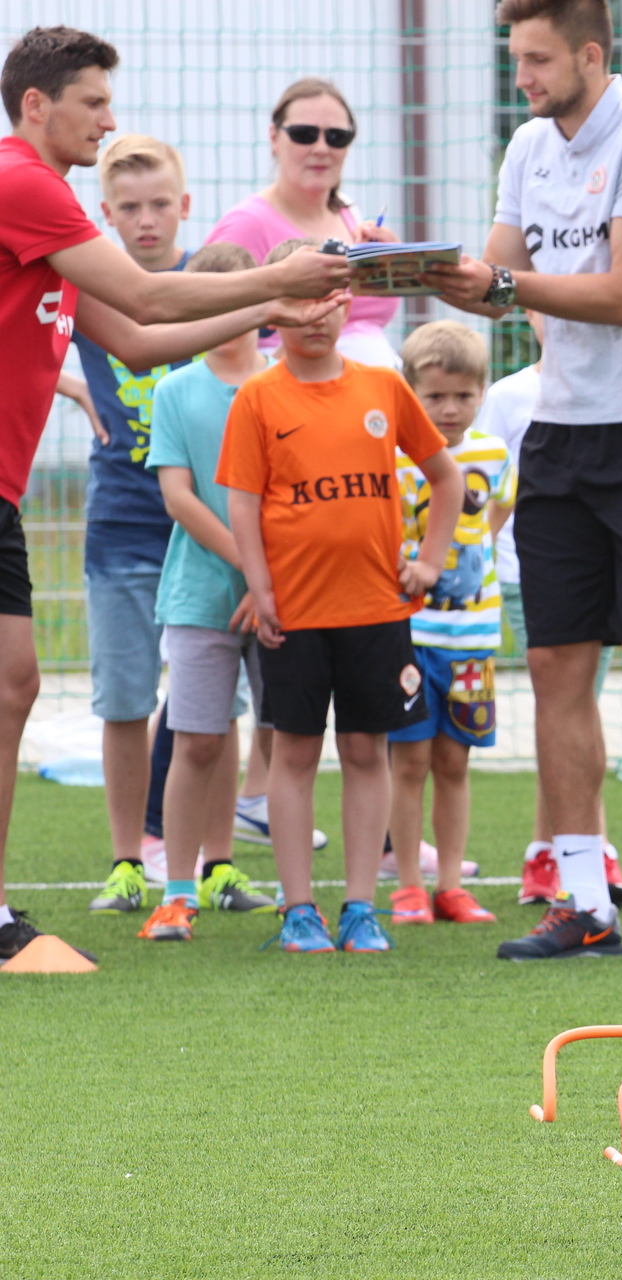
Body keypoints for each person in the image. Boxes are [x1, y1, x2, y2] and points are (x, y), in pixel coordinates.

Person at [0, 25, 348, 961]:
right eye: (94, 104)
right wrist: (283, 270)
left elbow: (142, 341)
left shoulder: (50, 214)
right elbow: (154, 304)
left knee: (15, 682)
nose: (111, 122)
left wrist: (269, 310)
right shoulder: (22, 183)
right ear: (37, 106)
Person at [428, 0, 622, 962]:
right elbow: (496, 269)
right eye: (514, 57)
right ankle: (580, 897)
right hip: (558, 434)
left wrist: (501, 287)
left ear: (589, 53)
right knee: (557, 667)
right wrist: (409, 273)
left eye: (536, 58)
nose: (521, 76)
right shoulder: (528, 146)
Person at [217, 237, 460, 954]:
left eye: (325, 298)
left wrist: (429, 559)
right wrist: (260, 587)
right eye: (296, 300)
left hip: (377, 610)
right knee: (292, 754)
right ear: (272, 307)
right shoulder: (259, 397)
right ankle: (300, 912)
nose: (313, 315)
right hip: (294, 612)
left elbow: (444, 478)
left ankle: (360, 908)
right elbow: (243, 504)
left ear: (347, 300)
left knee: (366, 751)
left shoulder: (382, 388)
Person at [63, 135, 199, 916]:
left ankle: (212, 862)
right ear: (105, 216)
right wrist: (74, 387)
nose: (146, 222)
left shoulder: (209, 280)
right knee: (124, 699)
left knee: (212, 706)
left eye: (159, 205)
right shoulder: (87, 285)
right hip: (121, 520)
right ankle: (125, 861)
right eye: (129, 209)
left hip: (206, 526)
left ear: (183, 206)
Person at [133, 241, 282, 943]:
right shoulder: (176, 389)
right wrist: (251, 571)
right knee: (196, 740)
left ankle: (274, 890)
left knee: (281, 741)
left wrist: (270, 581)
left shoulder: (285, 383)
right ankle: (179, 891)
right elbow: (179, 498)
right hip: (200, 596)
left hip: (286, 595)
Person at [474, 312, 622, 908]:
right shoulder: (508, 395)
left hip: (602, 573)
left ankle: (577, 849)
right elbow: (482, 482)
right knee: (562, 705)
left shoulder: (617, 388)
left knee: (579, 708)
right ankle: (558, 852)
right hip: (527, 573)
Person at [386, 320, 513, 927]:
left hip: (473, 640)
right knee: (408, 760)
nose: (450, 408)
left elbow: (499, 507)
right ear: (410, 391)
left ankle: (450, 883)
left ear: (482, 392)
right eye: (435, 396)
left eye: (464, 395)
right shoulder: (393, 456)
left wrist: (474, 555)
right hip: (410, 638)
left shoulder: (492, 452)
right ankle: (407, 884)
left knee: (455, 761)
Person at [206, 77, 402, 368]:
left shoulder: (349, 214)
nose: (321, 148)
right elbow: (210, 329)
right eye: (304, 134)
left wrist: (395, 263)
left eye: (336, 137)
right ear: (274, 137)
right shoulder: (246, 225)